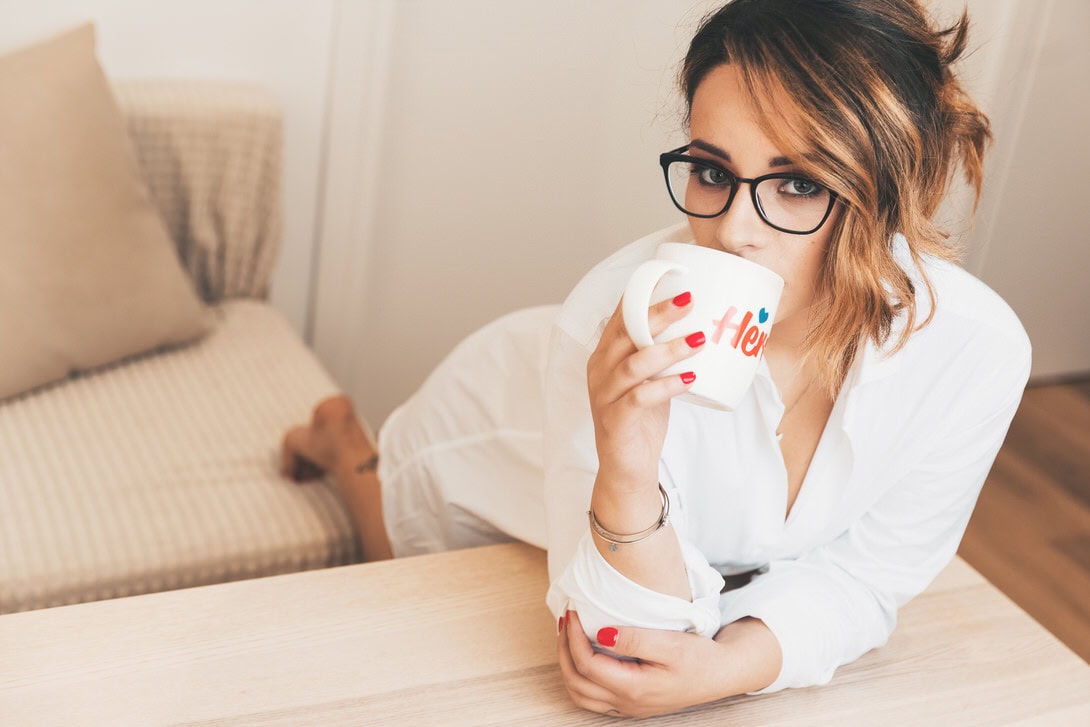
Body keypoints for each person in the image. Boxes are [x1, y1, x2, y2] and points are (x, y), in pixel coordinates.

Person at [281, 0, 1031, 717]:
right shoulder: (610, 320)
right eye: (711, 171)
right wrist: (627, 461)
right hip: (500, 428)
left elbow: (868, 576)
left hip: (695, 527)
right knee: (394, 537)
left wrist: (732, 664)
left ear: (894, 193)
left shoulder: (975, 356)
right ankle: (343, 437)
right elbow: (616, 658)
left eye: (800, 183)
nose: (734, 231)